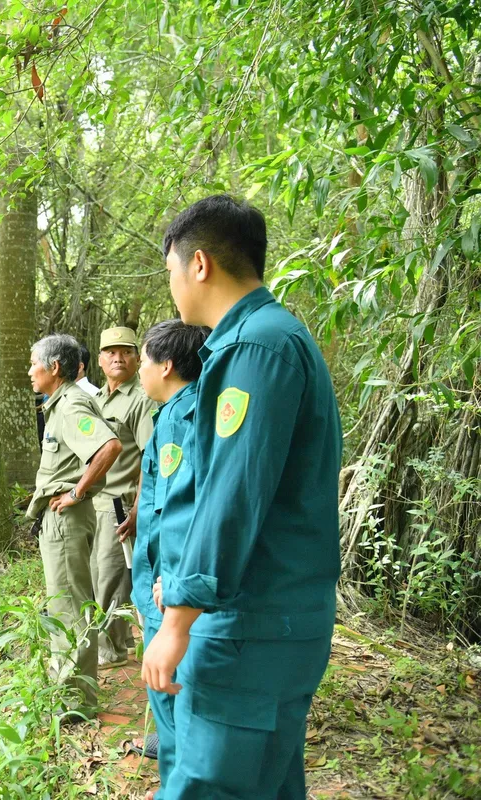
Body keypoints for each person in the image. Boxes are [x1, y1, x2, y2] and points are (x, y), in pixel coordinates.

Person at [141, 195, 342, 800]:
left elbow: (231, 494)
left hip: (248, 626)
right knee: (269, 784)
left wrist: (176, 619)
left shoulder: (254, 347)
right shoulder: (273, 337)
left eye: (170, 269)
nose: (172, 284)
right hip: (275, 620)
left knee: (207, 784)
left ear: (198, 264)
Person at [128, 319, 211, 793]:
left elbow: (180, 512)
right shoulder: (177, 411)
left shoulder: (181, 416)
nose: (139, 370)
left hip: (169, 594)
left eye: (143, 360)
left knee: (173, 704)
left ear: (167, 365)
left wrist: (170, 586)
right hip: (168, 590)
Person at [26, 334, 122, 712]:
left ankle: (75, 701)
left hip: (66, 517)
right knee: (65, 601)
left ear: (53, 367)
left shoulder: (69, 406)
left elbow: (109, 446)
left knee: (69, 605)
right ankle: (68, 689)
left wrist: (77, 493)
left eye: (34, 363)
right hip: (61, 519)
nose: (29, 371)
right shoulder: (61, 403)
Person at [92, 326, 157, 667]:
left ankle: (110, 650)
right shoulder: (97, 400)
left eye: (126, 352)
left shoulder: (142, 399)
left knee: (112, 579)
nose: (118, 357)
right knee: (100, 577)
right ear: (101, 360)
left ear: (136, 357)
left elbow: (150, 457)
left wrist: (137, 509)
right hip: (94, 502)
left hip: (119, 503)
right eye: (110, 352)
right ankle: (117, 642)